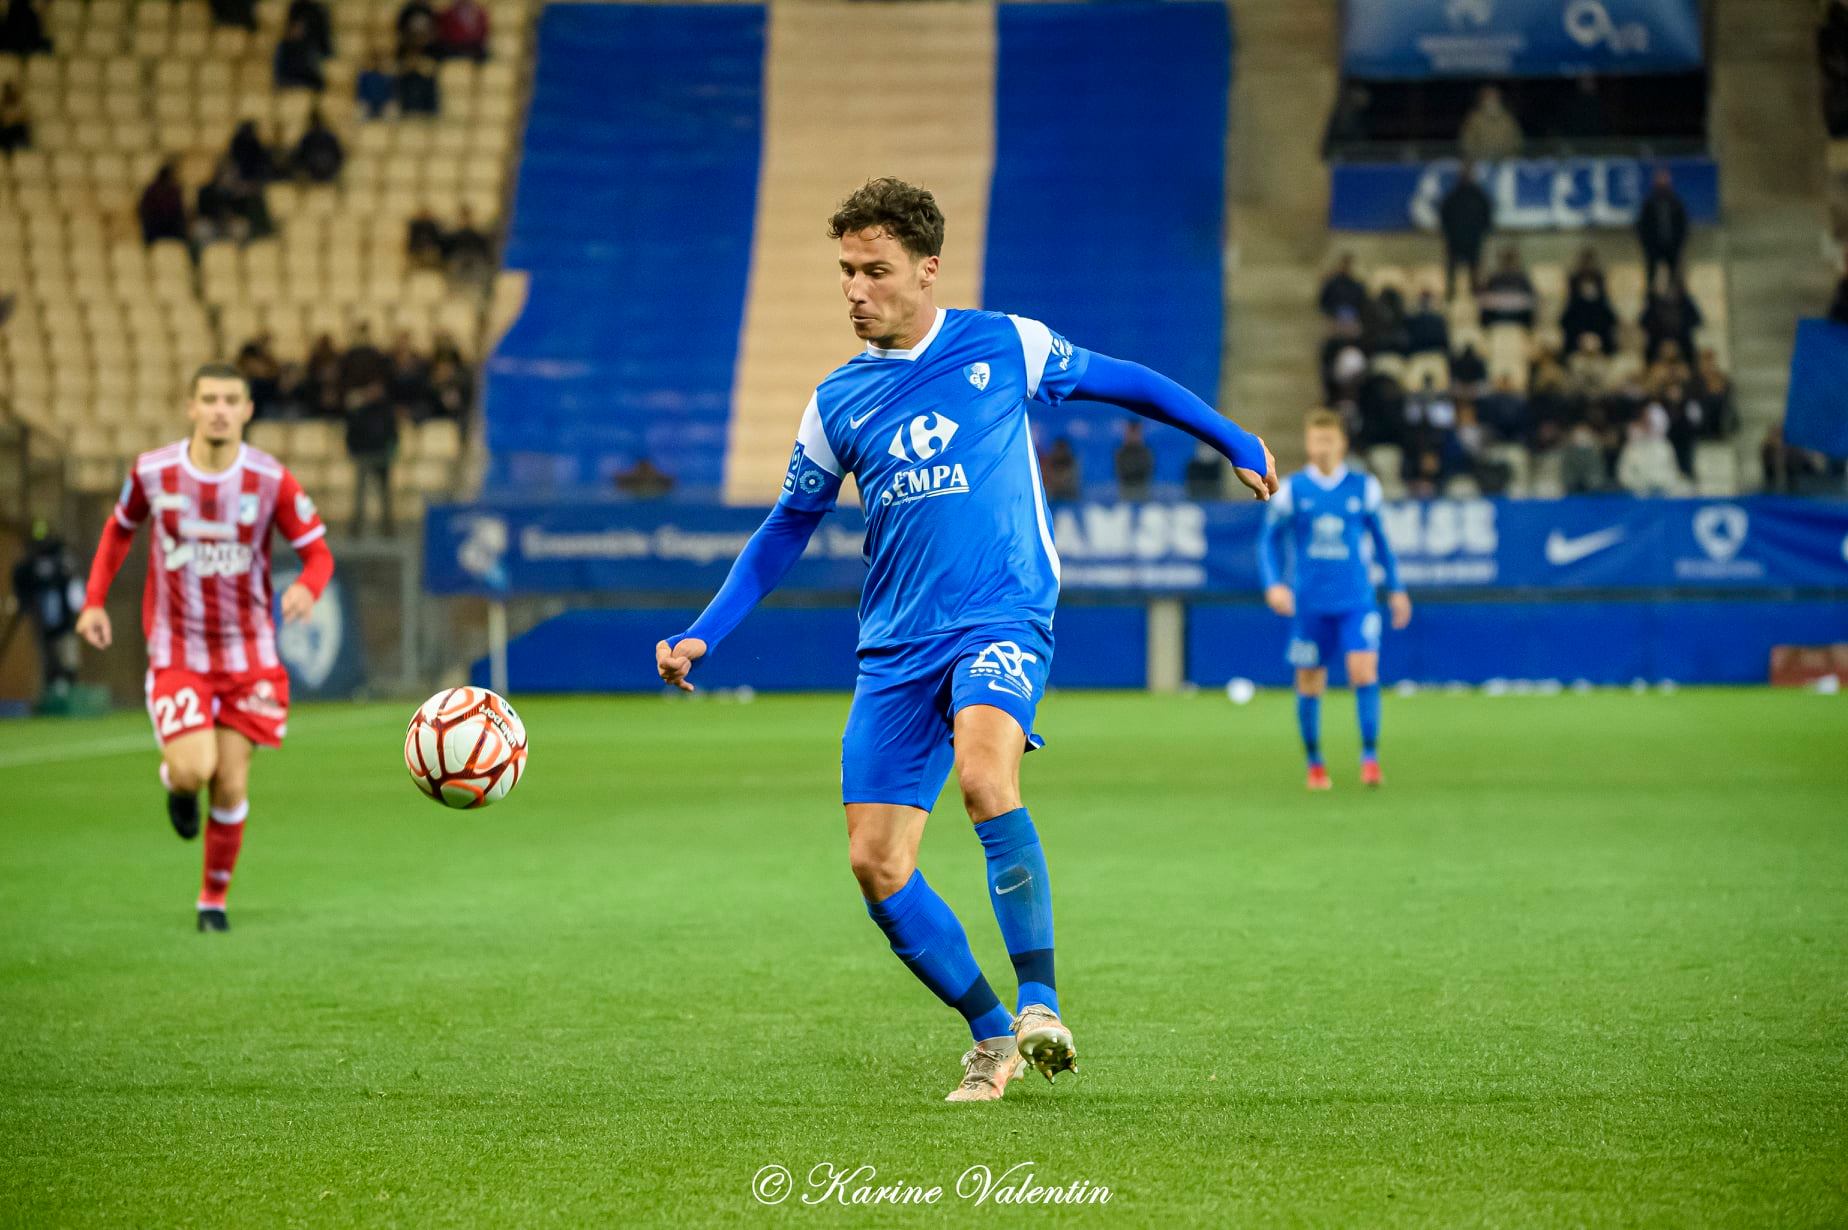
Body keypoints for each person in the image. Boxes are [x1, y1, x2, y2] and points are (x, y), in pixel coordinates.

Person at [653, 177, 1276, 1102]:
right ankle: (994, 1034)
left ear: (927, 270)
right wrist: (706, 633)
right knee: (877, 863)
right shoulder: (836, 403)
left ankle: (1039, 1002)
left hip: (1001, 614)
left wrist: (1232, 437)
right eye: (845, 273)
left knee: (986, 774)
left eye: (874, 270)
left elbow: (1125, 381)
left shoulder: (1003, 344)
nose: (854, 290)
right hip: (895, 646)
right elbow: (786, 527)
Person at [76, 365, 333, 932]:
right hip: (179, 653)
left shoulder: (271, 479)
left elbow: (318, 554)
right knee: (195, 770)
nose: (220, 408)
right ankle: (175, 784)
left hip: (250, 658)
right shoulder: (152, 471)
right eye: (209, 399)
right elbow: (120, 529)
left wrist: (307, 587)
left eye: (231, 399)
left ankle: (212, 902)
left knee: (232, 782)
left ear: (247, 410)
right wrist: (94, 600)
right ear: (190, 407)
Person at [1258, 410, 1409, 792]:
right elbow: (1266, 541)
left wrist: (1396, 588)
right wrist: (1274, 584)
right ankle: (1314, 763)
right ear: (1308, 444)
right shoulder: (1293, 491)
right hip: (1309, 603)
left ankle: (1370, 758)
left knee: (1364, 672)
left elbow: (1383, 544)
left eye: (1328, 440)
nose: (1321, 447)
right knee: (1310, 681)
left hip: (1356, 599)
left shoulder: (1364, 488)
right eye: (1315, 440)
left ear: (1341, 443)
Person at [11, 520, 81, 699]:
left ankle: (69, 691)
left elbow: (73, 583)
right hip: (42, 621)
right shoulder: (28, 564)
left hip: (64, 621)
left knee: (68, 657)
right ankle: (50, 694)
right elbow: (20, 580)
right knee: (47, 658)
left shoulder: (61, 558)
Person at [344, 378, 398, 535]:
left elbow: (393, 434)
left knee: (385, 495)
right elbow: (351, 434)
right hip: (364, 456)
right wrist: (354, 451)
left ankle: (387, 527)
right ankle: (356, 527)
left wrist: (391, 451)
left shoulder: (386, 412)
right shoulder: (360, 412)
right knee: (360, 495)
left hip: (381, 456)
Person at [1438, 165, 1493, 299]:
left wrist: (1481, 231)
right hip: (1455, 240)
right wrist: (1449, 232)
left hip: (1473, 239)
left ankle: (1474, 295)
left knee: (1474, 268)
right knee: (1452, 269)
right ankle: (1451, 294)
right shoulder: (1453, 196)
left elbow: (1487, 215)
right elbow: (1444, 216)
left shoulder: (1479, 196)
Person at [1635, 168, 1689, 290]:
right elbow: (1642, 226)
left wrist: (1678, 243)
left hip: (1672, 247)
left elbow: (1682, 226)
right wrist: (1647, 245)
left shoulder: (1675, 203)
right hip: (1653, 247)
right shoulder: (1649, 204)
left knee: (1674, 280)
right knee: (1652, 280)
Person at [1560, 270, 1617, 356]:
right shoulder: (1573, 307)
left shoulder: (1603, 308)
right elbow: (1567, 326)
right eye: (1585, 284)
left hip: (1601, 349)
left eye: (1591, 284)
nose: (1588, 288)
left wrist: (1598, 341)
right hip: (1577, 347)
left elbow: (1609, 327)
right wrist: (1581, 340)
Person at [1459, 85, 1522, 163]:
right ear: (1482, 99)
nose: (1492, 100)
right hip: (1480, 161)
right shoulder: (1474, 119)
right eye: (1488, 97)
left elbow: (1517, 141)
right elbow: (1467, 143)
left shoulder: (1507, 118)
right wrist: (1473, 157)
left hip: (1505, 161)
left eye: (1494, 97)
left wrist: (1510, 153)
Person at [1477, 246, 1535, 328]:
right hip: (1496, 319)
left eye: (1510, 259)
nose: (1508, 263)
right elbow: (1483, 300)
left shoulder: (1521, 278)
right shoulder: (1494, 278)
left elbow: (1531, 299)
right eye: (1506, 259)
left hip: (1518, 319)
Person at [138, 162, 188, 246]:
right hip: (155, 228)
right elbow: (144, 210)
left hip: (172, 229)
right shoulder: (152, 190)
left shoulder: (174, 190)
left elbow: (179, 212)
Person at [292, 109, 344, 183]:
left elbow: (339, 156)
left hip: (328, 175)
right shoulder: (308, 138)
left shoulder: (328, 138)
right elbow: (299, 158)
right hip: (312, 177)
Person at [273, 18, 326, 90]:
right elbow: (280, 72)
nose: (299, 31)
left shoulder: (306, 46)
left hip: (303, 80)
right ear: (291, 29)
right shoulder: (283, 47)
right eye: (297, 28)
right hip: (288, 80)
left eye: (301, 29)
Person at [1317, 254, 1369, 321]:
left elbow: (1363, 304)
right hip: (1334, 319)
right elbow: (1323, 304)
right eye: (1344, 264)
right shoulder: (1332, 284)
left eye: (1348, 265)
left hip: (1353, 320)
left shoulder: (1357, 286)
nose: (1346, 268)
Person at [1114, 420, 1155, 501]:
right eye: (1130, 432)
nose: (1133, 436)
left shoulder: (1146, 452)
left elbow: (1147, 470)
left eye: (1135, 432)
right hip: (1126, 489)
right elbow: (1121, 471)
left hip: (1142, 489)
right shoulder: (1120, 452)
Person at [1403, 290, 1448, 356]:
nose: (1425, 303)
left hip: (1434, 354)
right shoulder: (1411, 320)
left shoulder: (1438, 320)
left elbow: (1443, 342)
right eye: (1423, 300)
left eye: (1427, 300)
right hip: (1417, 355)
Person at [356, 48, 395, 119]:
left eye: (378, 61)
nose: (375, 64)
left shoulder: (386, 76)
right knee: (362, 110)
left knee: (391, 110)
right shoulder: (364, 76)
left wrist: (386, 102)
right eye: (373, 61)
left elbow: (390, 92)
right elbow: (361, 92)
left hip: (383, 104)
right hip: (368, 104)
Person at [1040, 436, 1080, 501]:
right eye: (1058, 451)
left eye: (1061, 451)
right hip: (1054, 496)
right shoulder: (1050, 461)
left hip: (1069, 495)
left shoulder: (1072, 463)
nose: (1060, 454)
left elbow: (1071, 482)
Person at [0, 81, 32, 153]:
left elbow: (25, 118)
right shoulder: (2, 107)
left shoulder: (21, 107)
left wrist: (13, 119)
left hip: (16, 133)